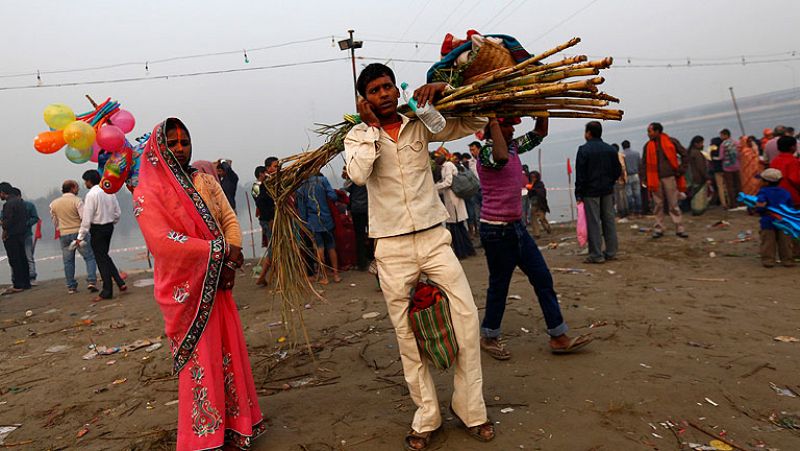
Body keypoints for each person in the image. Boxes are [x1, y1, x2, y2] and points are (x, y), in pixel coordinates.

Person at [345, 63, 494, 449]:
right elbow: (358, 175)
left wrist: (443, 89)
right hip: (391, 247)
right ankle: (427, 416)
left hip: (433, 238)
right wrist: (371, 129)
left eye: (388, 87)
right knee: (406, 337)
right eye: (375, 90)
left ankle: (470, 409)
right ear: (364, 99)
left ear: (397, 90)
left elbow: (475, 120)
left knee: (466, 320)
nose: (384, 94)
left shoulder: (420, 124)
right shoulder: (357, 136)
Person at [135, 118, 264, 450]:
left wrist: (232, 256)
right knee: (201, 361)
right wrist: (218, 251)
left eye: (185, 142)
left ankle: (236, 426)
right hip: (184, 289)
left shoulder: (204, 180)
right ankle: (204, 436)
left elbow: (227, 217)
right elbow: (162, 242)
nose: (180, 148)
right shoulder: (149, 191)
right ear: (158, 149)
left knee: (227, 352)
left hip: (218, 280)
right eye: (172, 143)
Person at [477, 116, 592, 361]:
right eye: (507, 125)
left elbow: (540, 132)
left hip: (517, 228)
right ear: (492, 128)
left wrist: (542, 108)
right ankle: (489, 336)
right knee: (499, 285)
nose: (513, 129)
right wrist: (493, 120)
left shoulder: (513, 146)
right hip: (496, 231)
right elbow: (500, 157)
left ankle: (558, 336)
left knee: (542, 278)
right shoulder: (487, 153)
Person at [575, 121, 622, 263]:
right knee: (609, 221)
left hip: (590, 192)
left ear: (588, 133)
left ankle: (596, 254)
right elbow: (617, 170)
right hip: (607, 190)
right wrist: (610, 182)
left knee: (594, 223)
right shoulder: (610, 149)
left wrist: (578, 193)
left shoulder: (583, 150)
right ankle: (611, 252)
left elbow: (581, 174)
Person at [77, 170, 126, 301]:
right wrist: (112, 222)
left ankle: (107, 291)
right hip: (109, 227)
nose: (85, 184)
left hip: (97, 229)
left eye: (85, 181)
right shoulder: (109, 191)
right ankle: (120, 282)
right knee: (104, 256)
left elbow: (87, 218)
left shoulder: (91, 195)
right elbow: (117, 212)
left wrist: (80, 236)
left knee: (101, 260)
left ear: (89, 181)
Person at [640, 122, 689, 238]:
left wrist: (681, 169)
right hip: (654, 179)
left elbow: (685, 154)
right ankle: (659, 228)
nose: (648, 134)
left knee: (673, 203)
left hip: (669, 177)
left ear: (657, 131)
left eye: (650, 131)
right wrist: (644, 178)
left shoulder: (671, 142)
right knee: (658, 204)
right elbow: (644, 163)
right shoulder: (648, 146)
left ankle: (679, 228)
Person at [50, 180, 98, 294]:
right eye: (77, 187)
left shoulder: (54, 204)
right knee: (89, 257)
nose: (78, 189)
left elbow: (54, 221)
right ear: (72, 188)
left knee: (68, 261)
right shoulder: (77, 201)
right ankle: (91, 281)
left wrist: (61, 228)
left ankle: (71, 286)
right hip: (79, 233)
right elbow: (84, 217)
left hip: (64, 234)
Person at [295, 172, 341, 284]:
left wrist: (305, 225)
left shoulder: (301, 188)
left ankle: (324, 277)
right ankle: (336, 275)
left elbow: (302, 211)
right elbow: (333, 196)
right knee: (331, 247)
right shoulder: (323, 180)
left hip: (313, 221)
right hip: (326, 218)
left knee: (319, 248)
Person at [434, 147, 475, 259]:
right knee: (459, 227)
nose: (436, 160)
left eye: (437, 157)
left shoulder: (448, 165)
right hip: (451, 199)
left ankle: (462, 252)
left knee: (456, 227)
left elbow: (448, 182)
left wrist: (434, 188)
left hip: (454, 200)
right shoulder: (445, 166)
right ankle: (468, 250)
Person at [754, 168, 795, 268]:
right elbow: (790, 207)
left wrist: (757, 210)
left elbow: (761, 205)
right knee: (785, 242)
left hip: (768, 221)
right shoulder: (785, 192)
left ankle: (768, 261)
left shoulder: (763, 192)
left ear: (766, 182)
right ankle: (787, 260)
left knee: (768, 242)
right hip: (783, 221)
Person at [0, 182, 31, 294]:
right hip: (22, 234)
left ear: (3, 192)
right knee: (23, 258)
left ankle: (18, 284)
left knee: (15, 260)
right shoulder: (20, 202)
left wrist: (2, 224)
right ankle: (26, 282)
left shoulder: (8, 205)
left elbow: (8, 222)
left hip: (12, 235)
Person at [252, 158, 278, 286]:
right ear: (261, 174)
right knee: (272, 249)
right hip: (267, 220)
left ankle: (264, 277)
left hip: (266, 219)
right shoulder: (258, 187)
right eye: (265, 173)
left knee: (273, 248)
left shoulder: (261, 186)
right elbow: (260, 203)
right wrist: (270, 219)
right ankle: (263, 276)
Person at [343, 167, 372, 271]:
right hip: (369, 209)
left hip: (357, 210)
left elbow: (346, 187)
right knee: (372, 234)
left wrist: (349, 176)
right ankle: (372, 257)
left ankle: (362, 263)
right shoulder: (369, 177)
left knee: (359, 237)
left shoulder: (354, 179)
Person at [770, 136, 800, 207]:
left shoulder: (774, 160)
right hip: (791, 195)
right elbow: (795, 180)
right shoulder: (793, 161)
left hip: (777, 194)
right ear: (792, 147)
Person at [685, 136, 711, 215]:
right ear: (696, 144)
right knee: (699, 195)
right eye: (701, 143)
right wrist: (706, 177)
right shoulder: (696, 153)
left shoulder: (689, 152)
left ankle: (694, 209)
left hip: (691, 178)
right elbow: (701, 167)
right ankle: (698, 210)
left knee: (693, 194)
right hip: (698, 177)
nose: (703, 145)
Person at [18, 190, 39, 285]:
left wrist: (26, 224)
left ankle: (32, 276)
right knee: (17, 257)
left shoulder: (29, 205)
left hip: (26, 234)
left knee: (29, 256)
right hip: (15, 236)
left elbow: (35, 218)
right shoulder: (8, 206)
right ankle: (19, 278)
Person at [719, 129, 741, 208]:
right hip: (737, 166)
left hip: (727, 167)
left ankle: (733, 203)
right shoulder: (736, 143)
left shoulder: (723, 144)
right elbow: (739, 154)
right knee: (738, 185)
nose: (720, 137)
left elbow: (721, 157)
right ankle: (741, 202)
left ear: (726, 135)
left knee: (730, 186)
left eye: (721, 135)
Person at [527, 170, 551, 238]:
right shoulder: (530, 184)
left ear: (537, 177)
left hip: (541, 204)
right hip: (534, 203)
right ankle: (536, 234)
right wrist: (530, 190)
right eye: (531, 177)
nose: (533, 179)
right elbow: (530, 195)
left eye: (534, 177)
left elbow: (542, 193)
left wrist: (533, 189)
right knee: (533, 218)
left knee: (541, 218)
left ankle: (547, 228)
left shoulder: (540, 184)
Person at [621, 140, 642, 216]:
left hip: (627, 176)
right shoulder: (636, 153)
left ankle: (632, 211)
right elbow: (640, 164)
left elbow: (622, 166)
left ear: (622, 146)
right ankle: (639, 211)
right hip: (636, 175)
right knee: (637, 193)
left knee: (629, 194)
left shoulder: (622, 155)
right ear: (629, 145)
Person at [708, 137, 728, 208]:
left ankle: (723, 203)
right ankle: (729, 201)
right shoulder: (724, 149)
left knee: (720, 187)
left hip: (717, 171)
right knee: (727, 186)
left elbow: (710, 161)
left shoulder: (712, 151)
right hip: (725, 169)